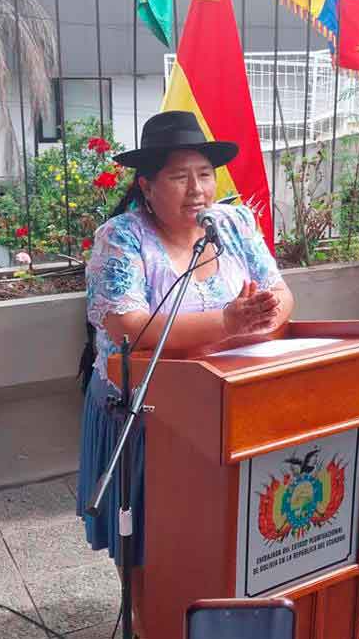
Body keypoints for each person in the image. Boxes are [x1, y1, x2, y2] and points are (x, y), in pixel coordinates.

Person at [76, 111, 294, 567]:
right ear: (147, 186)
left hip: (232, 398)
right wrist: (228, 324)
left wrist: (261, 316)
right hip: (148, 411)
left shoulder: (234, 223)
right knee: (150, 543)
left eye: (205, 174)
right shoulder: (122, 238)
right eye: (179, 177)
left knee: (225, 533)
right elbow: (130, 327)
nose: (197, 190)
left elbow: (280, 294)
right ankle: (146, 603)